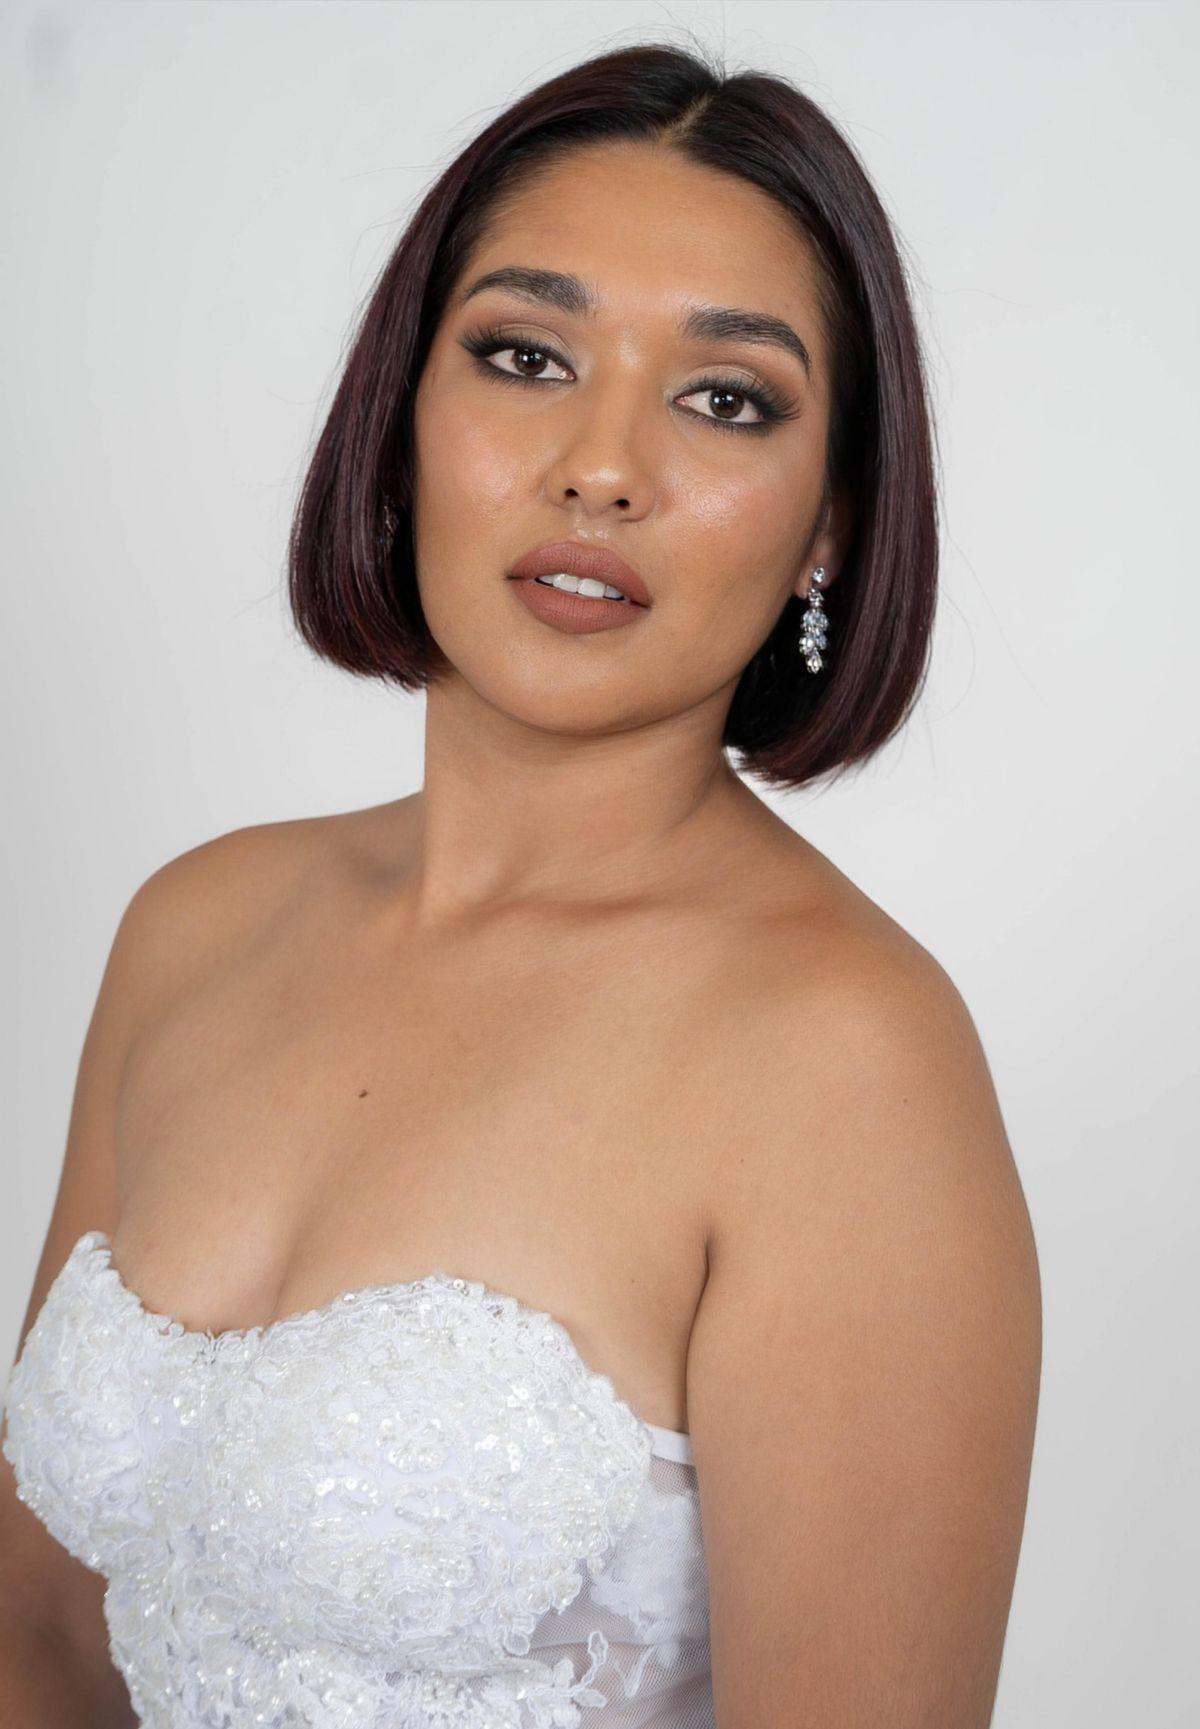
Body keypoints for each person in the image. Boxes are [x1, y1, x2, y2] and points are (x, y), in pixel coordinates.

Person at [0, 38, 1042, 1728]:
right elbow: (40, 1636)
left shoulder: (849, 1062)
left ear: (831, 523)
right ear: (403, 411)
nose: (602, 464)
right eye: (524, 354)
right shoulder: (195, 927)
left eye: (726, 397)